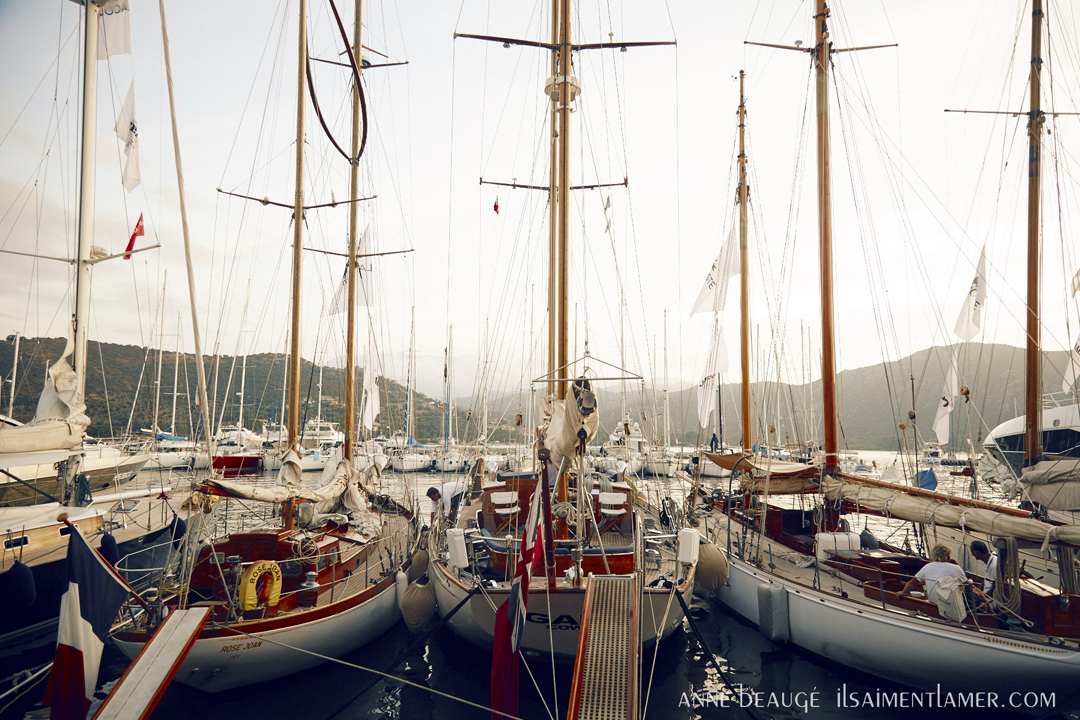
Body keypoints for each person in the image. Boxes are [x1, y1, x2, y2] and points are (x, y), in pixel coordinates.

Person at [898, 544, 968, 603]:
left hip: (933, 603)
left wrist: (903, 592)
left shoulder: (927, 566)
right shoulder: (956, 568)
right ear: (948, 557)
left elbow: (911, 583)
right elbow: (968, 586)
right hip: (952, 605)